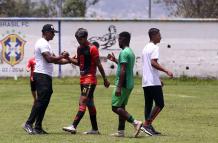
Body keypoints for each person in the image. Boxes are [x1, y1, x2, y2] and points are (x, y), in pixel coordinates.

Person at [22, 24, 70, 135]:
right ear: (46, 32)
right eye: (52, 32)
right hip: (41, 75)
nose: (53, 34)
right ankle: (28, 123)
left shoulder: (46, 44)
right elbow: (49, 59)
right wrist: (62, 56)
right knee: (41, 101)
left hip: (46, 75)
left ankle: (38, 127)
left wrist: (69, 61)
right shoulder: (42, 43)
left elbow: (55, 60)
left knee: (44, 101)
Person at [62, 28, 110, 134]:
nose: (78, 41)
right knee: (90, 104)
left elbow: (99, 64)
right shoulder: (79, 49)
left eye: (80, 39)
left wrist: (105, 79)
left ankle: (73, 126)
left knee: (82, 101)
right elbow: (79, 62)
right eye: (77, 39)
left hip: (90, 80)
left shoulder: (92, 49)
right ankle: (95, 129)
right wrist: (68, 58)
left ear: (85, 37)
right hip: (83, 79)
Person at [107, 31, 142, 138]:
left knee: (115, 107)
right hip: (129, 84)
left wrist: (118, 87)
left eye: (120, 39)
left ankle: (135, 123)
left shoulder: (124, 53)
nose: (118, 41)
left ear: (125, 39)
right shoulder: (130, 52)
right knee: (121, 106)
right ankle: (121, 131)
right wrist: (115, 60)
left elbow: (122, 71)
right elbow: (124, 67)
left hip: (123, 84)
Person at [140, 28, 173, 136]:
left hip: (146, 81)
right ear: (153, 36)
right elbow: (153, 63)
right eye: (159, 35)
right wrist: (166, 70)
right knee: (160, 104)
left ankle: (148, 127)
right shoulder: (155, 47)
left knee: (148, 105)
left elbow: (148, 66)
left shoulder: (145, 48)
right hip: (152, 82)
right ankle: (146, 124)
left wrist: (159, 79)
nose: (160, 37)